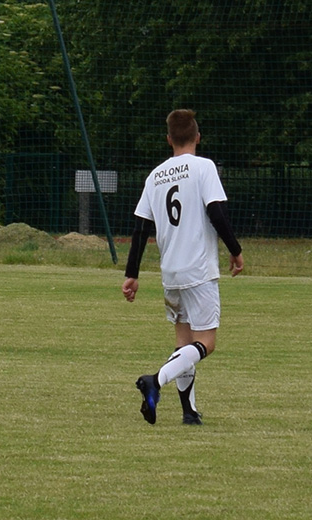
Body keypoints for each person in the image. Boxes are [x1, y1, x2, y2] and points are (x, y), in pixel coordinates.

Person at [122, 109, 244, 425]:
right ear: (197, 137)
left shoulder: (155, 176)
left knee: (184, 343)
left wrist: (132, 274)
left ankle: (189, 412)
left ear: (169, 139)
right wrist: (235, 251)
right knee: (207, 343)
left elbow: (140, 229)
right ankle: (155, 380)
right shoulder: (204, 167)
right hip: (198, 270)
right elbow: (216, 212)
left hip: (171, 272)